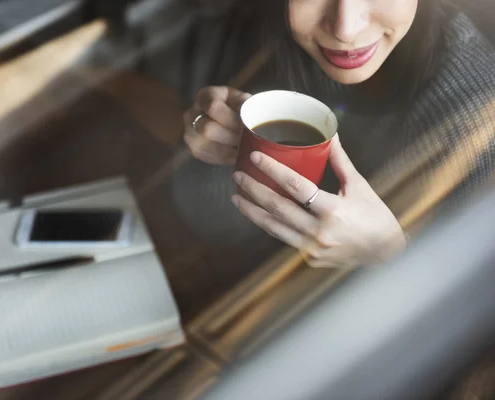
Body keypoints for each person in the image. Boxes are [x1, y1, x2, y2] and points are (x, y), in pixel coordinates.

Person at [179, 0, 495, 268]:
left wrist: (391, 253)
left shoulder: (478, 108)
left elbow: (473, 319)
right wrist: (212, 144)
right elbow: (209, 218)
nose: (346, 30)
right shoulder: (271, 35)